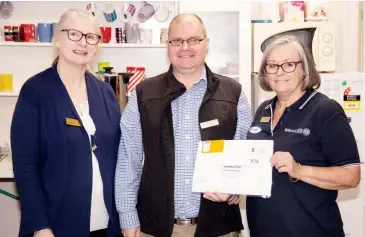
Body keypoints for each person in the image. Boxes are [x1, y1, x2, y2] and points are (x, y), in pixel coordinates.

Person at [115, 13, 252, 237]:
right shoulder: (143, 94)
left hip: (219, 226)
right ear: (167, 45)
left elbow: (245, 153)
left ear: (206, 44)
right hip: (156, 228)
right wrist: (127, 216)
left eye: (194, 40)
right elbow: (128, 161)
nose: (185, 47)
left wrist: (235, 187)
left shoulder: (233, 93)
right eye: (176, 41)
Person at [11, 9, 121, 237]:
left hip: (106, 223)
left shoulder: (105, 92)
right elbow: (25, 167)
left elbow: (118, 156)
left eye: (91, 37)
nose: (83, 42)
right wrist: (40, 227)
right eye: (73, 34)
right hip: (56, 226)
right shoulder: (35, 92)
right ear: (56, 39)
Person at [246, 35, 360, 237]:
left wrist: (298, 169)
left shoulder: (325, 111)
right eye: (272, 66)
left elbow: (351, 176)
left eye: (289, 64)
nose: (279, 72)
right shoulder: (264, 110)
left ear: (304, 69)